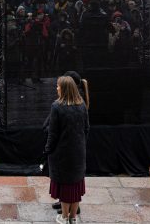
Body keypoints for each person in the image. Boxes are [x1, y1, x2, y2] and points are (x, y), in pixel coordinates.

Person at [44, 75, 89, 224]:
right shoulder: (82, 105)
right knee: (75, 187)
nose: (56, 88)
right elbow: (87, 129)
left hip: (61, 155)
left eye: (58, 86)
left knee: (65, 188)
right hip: (78, 153)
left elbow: (53, 133)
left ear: (64, 89)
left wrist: (48, 149)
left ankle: (64, 217)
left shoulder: (56, 107)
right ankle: (73, 218)